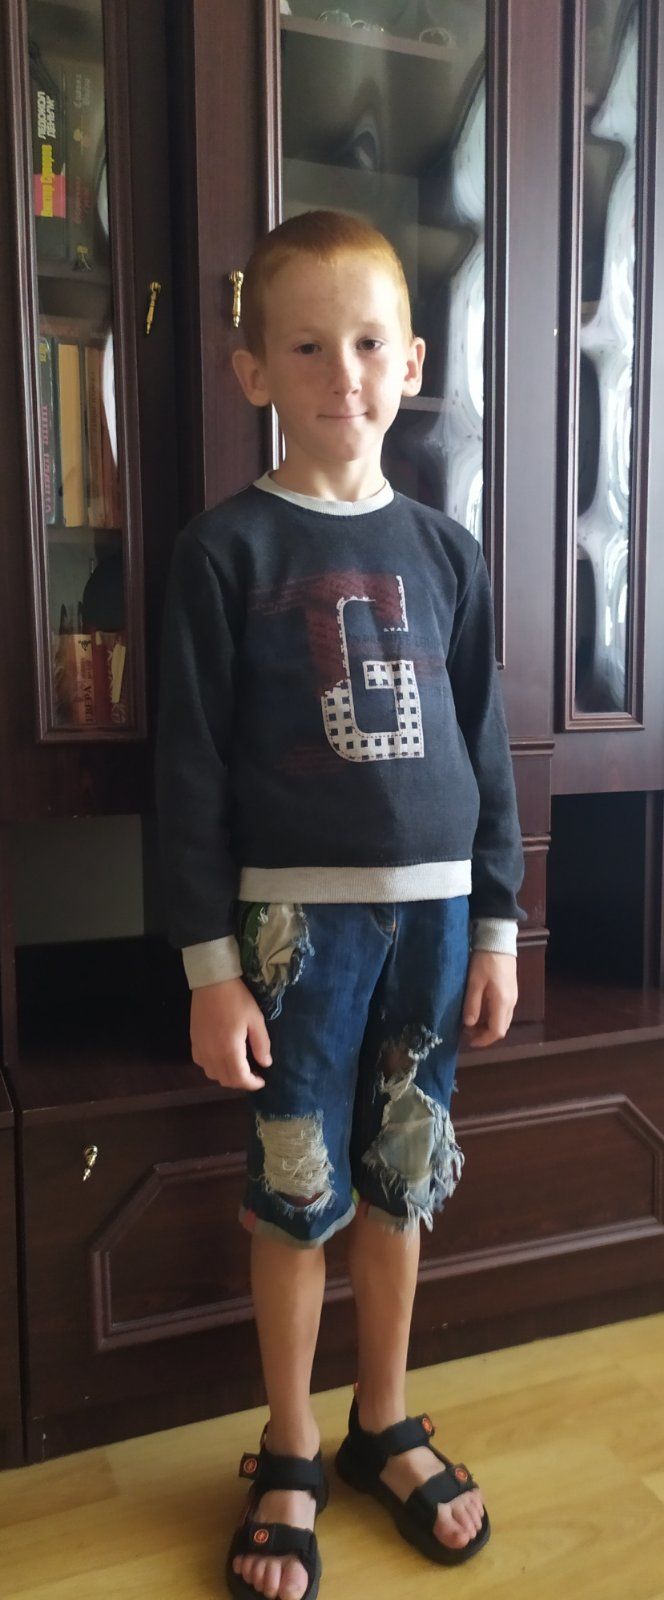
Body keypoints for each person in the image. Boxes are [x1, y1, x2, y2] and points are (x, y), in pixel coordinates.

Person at [155, 209, 525, 1600]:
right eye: (306, 347)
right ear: (252, 369)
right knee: (296, 1190)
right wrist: (210, 966)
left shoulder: (447, 551)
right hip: (292, 938)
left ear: (412, 362)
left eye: (369, 344)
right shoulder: (224, 553)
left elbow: (486, 750)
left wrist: (498, 925)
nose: (343, 374)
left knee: (399, 1175)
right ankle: (293, 1443)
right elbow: (190, 775)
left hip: (435, 927)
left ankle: (383, 1420)